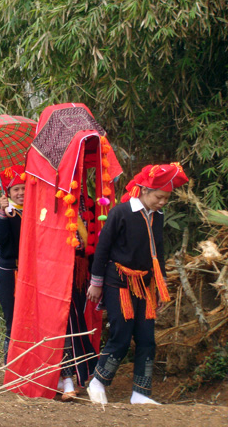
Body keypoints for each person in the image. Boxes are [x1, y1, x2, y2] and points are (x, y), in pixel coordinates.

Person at [86, 163, 189, 405]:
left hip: (145, 285)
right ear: (143, 190)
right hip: (117, 282)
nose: (162, 202)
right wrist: (97, 282)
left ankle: (140, 394)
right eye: (159, 197)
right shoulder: (120, 213)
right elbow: (102, 249)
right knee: (121, 335)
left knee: (146, 338)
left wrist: (161, 287)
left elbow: (158, 251)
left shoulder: (157, 216)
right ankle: (98, 382)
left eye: (166, 198)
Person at [0, 166, 25, 363]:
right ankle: (10, 361)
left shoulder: (33, 210)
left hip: (30, 271)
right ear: (7, 193)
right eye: (15, 189)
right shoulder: (4, 212)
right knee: (12, 317)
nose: (20, 193)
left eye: (23, 188)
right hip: (9, 271)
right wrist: (3, 211)